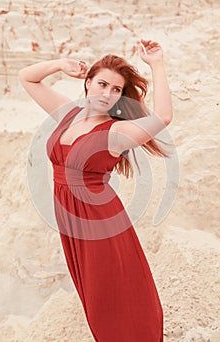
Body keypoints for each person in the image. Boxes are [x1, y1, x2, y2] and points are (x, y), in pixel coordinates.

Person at [19, 39, 173, 342]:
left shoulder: (116, 132)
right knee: (94, 298)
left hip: (100, 223)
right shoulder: (67, 114)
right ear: (87, 83)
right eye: (102, 84)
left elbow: (163, 118)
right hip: (71, 221)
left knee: (111, 297)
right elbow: (27, 77)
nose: (108, 94)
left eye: (116, 90)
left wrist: (157, 64)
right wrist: (61, 65)